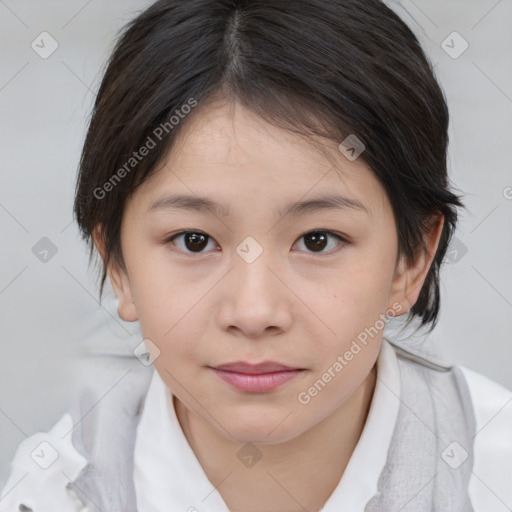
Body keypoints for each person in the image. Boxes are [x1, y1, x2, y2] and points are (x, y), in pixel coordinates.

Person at [1, 0, 511, 510]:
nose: (254, 312)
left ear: (412, 260)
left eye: (318, 240)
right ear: (118, 264)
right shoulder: (56, 491)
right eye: (194, 240)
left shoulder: (495, 473)